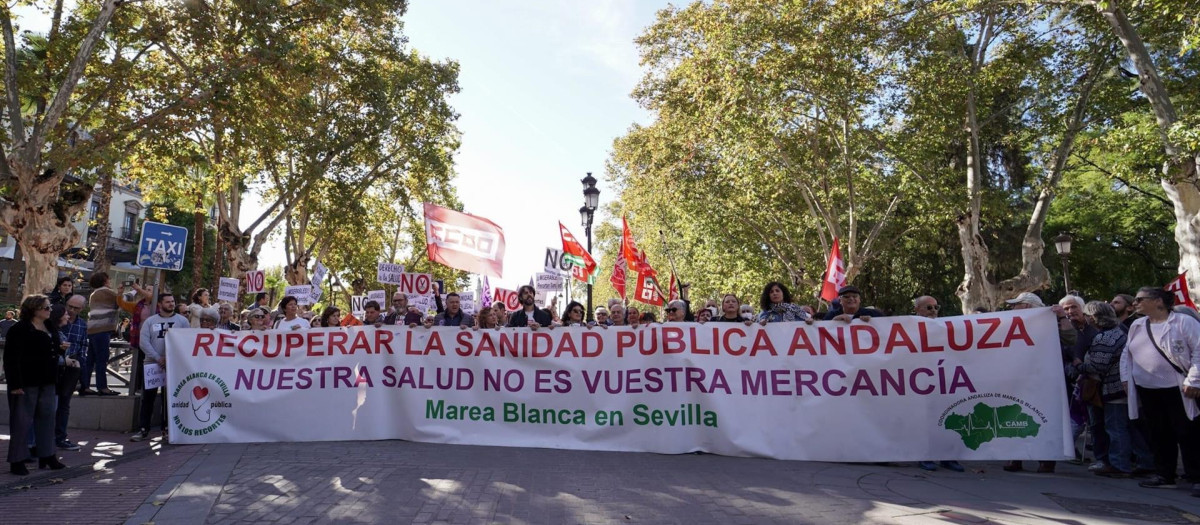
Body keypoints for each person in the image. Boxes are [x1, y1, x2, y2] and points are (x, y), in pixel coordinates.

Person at [1121, 287, 1200, 491]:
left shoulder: (1184, 322)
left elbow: (1199, 351)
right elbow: (1126, 353)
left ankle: (1196, 477)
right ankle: (1165, 475)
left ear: (1158, 301)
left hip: (1178, 388)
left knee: (1187, 432)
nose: (1135, 303)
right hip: (1148, 389)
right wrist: (1126, 377)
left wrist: (1194, 380)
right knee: (1158, 433)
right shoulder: (1137, 325)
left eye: (1140, 299)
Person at [1071, 301, 1154, 478]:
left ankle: (1119, 464)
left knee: (1116, 428)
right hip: (1122, 387)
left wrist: (1079, 365)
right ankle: (1145, 461)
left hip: (1114, 389)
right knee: (1130, 427)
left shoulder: (1106, 337)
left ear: (1093, 318)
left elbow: (1097, 366)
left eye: (1086, 315)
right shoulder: (1119, 331)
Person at [1003, 292, 1076, 473]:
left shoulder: (1049, 321)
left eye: (1016, 304)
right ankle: (1016, 456)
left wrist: (1061, 316)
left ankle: (1046, 458)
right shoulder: (1011, 324)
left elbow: (1070, 338)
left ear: (1027, 306)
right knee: (1015, 414)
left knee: (1044, 417)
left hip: (1044, 378)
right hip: (1019, 377)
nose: (1012, 308)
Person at [5, 295, 67, 475]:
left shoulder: (49, 326)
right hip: (26, 381)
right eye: (46, 308)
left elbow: (52, 349)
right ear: (35, 309)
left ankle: (47, 455)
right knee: (22, 422)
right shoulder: (20, 329)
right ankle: (17, 459)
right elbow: (11, 358)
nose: (50, 311)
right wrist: (15, 383)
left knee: (47, 418)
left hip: (47, 380)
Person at [910, 295, 965, 472]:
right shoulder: (907, 327)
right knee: (924, 422)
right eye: (928, 307)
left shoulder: (946, 327)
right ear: (917, 310)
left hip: (945, 379)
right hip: (919, 381)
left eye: (936, 307)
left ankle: (948, 457)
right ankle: (925, 456)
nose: (933, 311)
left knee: (949, 418)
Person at [132, 293, 190, 442]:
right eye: (168, 302)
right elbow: (144, 342)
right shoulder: (150, 322)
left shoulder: (182, 321)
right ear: (159, 304)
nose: (171, 304)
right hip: (152, 364)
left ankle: (167, 430)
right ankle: (144, 429)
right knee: (148, 398)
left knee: (169, 397)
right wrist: (158, 358)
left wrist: (170, 358)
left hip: (173, 365)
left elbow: (186, 342)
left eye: (173, 301)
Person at [1060, 294, 1107, 471]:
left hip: (1093, 382)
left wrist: (1083, 369)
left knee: (1096, 422)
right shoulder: (1059, 332)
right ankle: (1069, 450)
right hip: (1068, 382)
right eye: (1066, 309)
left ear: (1082, 309)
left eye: (1073, 307)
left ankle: (1103, 458)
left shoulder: (1093, 331)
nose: (1070, 312)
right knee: (1075, 419)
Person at [56, 296, 88, 452]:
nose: (72, 310)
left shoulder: (82, 324)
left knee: (64, 403)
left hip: (72, 366)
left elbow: (83, 344)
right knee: (52, 403)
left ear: (82, 309)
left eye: (76, 308)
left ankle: (60, 437)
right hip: (57, 364)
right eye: (70, 306)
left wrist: (80, 362)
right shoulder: (58, 320)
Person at [83, 272, 122, 396]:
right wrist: (128, 292)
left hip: (93, 329)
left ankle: (85, 385)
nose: (110, 281)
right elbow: (121, 302)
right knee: (102, 359)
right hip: (103, 329)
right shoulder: (106, 292)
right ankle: (102, 387)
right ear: (105, 281)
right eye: (108, 279)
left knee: (90, 359)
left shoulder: (94, 294)